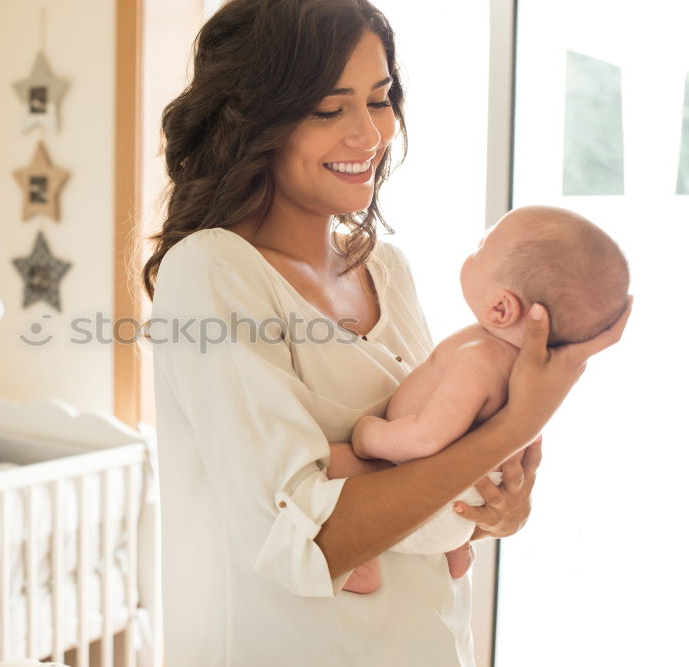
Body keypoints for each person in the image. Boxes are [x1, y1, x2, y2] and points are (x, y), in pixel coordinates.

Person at [140, 1, 632, 664]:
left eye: (380, 99)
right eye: (328, 108)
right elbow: (308, 541)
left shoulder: (385, 270)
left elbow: (430, 477)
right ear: (255, 118)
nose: (369, 134)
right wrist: (516, 423)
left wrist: (495, 509)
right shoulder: (211, 271)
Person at [331, 205, 630, 595]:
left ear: (502, 308)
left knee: (335, 463)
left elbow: (426, 439)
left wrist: (369, 436)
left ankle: (362, 564)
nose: (472, 251)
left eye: (481, 246)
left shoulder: (480, 361)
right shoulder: (512, 363)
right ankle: (456, 547)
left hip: (434, 507)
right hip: (455, 504)